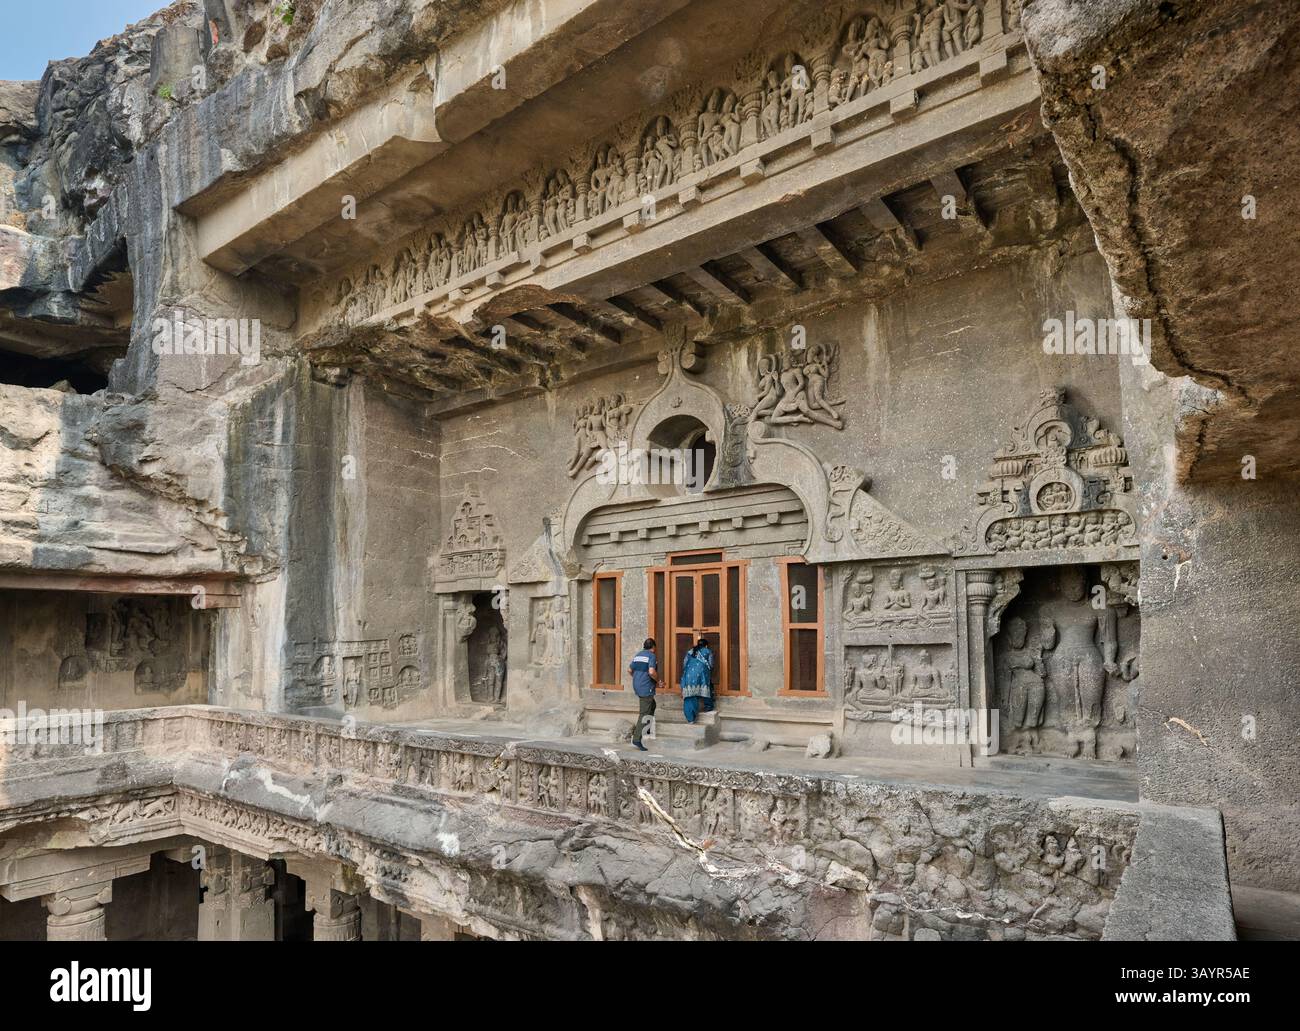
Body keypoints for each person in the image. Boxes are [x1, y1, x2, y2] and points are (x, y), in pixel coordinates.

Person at [628, 638, 659, 751]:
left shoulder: (638, 655)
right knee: (644, 712)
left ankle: (647, 728)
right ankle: (637, 739)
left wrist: (638, 679)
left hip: (637, 685)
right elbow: (651, 672)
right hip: (646, 687)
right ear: (653, 647)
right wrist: (658, 681)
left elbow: (630, 670)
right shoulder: (651, 656)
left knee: (653, 705)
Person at [680, 637, 714, 723]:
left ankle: (690, 718)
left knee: (690, 695)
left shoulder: (690, 652)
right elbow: (711, 664)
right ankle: (708, 706)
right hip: (702, 675)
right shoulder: (708, 651)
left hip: (688, 675)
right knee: (707, 686)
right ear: (706, 646)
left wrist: (687, 672)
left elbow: (684, 664)